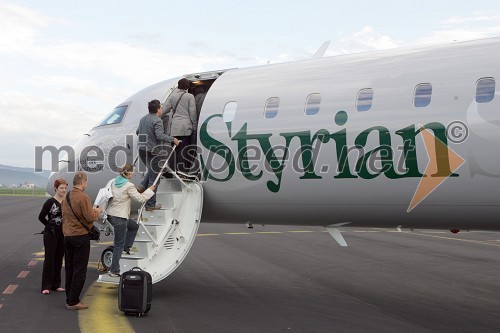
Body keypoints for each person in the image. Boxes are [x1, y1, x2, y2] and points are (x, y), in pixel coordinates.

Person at [106, 163, 156, 277]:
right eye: (132, 172)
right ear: (128, 173)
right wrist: (150, 190)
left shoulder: (114, 181)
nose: (133, 174)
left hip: (111, 215)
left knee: (134, 226)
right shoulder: (129, 185)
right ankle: (114, 270)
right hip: (120, 217)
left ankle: (126, 248)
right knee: (118, 244)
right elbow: (140, 198)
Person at [61, 171, 102, 310]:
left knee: (70, 268)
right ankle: (73, 301)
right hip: (80, 236)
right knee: (80, 269)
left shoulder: (66, 196)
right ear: (83, 182)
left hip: (67, 236)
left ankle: (69, 298)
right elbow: (90, 217)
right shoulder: (83, 197)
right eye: (86, 182)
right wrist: (97, 211)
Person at [136, 99, 179, 211]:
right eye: (161, 107)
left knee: (151, 171)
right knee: (154, 179)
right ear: (158, 109)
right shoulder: (157, 120)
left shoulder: (143, 119)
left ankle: (141, 185)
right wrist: (172, 139)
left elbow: (137, 132)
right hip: (153, 151)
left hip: (141, 150)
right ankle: (150, 205)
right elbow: (159, 136)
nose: (161, 109)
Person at [38, 178, 68, 295]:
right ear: (56, 188)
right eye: (61, 188)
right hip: (50, 235)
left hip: (63, 234)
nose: (63, 190)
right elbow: (41, 217)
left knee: (59, 259)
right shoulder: (50, 202)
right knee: (49, 259)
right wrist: (49, 226)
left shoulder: (66, 202)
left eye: (65, 188)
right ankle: (46, 286)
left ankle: (56, 285)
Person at [163, 78, 197, 174]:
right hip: (185, 127)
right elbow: (192, 112)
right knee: (184, 150)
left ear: (178, 86)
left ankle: (173, 170)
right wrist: (194, 126)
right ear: (188, 87)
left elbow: (165, 110)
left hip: (174, 127)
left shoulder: (172, 97)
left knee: (174, 150)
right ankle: (182, 171)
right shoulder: (190, 97)